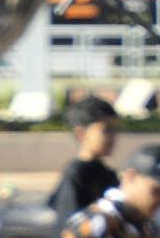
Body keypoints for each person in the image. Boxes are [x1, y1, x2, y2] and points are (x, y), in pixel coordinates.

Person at [51, 95, 121, 224]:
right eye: (106, 130)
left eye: (115, 130)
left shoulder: (108, 175)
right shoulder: (76, 173)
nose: (113, 137)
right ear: (81, 134)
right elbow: (68, 222)